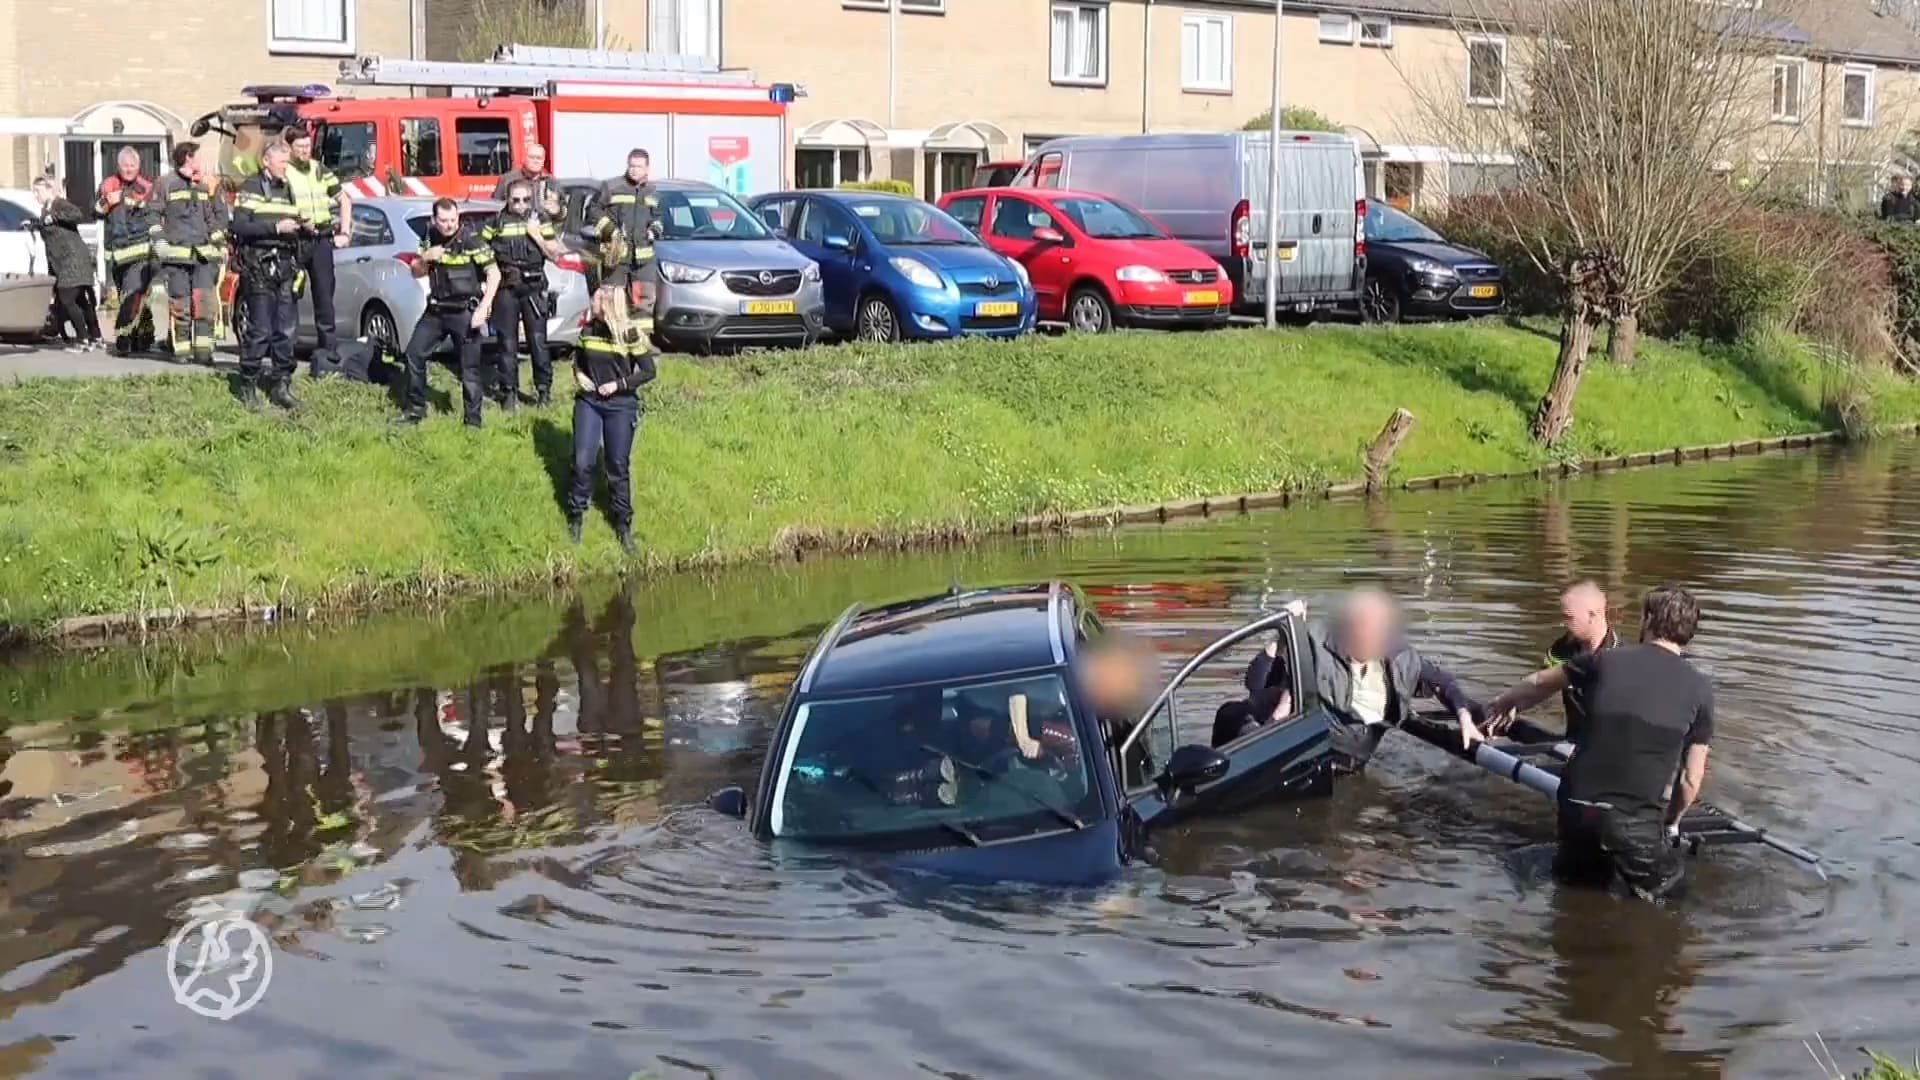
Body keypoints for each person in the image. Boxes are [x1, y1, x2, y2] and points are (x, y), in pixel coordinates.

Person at [1485, 585, 1715, 901]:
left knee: (1573, 894)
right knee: (1677, 898)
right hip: (1633, 823)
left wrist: (1504, 702)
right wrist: (1671, 823)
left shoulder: (1603, 660)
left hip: (1574, 809)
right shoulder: (1700, 689)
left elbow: (1539, 682)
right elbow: (1690, 779)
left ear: (1648, 620)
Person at [1292, 590, 1484, 766]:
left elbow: (1442, 682)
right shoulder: (1316, 649)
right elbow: (1275, 681)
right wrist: (1291, 631)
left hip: (1358, 755)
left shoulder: (1401, 658)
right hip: (1319, 754)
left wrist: (1464, 717)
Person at [398, 198, 500, 428]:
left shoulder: (472, 240)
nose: (449, 225)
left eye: (453, 220)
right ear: (434, 220)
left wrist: (484, 307)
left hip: (464, 311)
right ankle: (415, 409)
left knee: (469, 369)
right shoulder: (429, 238)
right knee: (414, 354)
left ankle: (473, 422)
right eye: (443, 221)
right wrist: (425, 257)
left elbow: (494, 273)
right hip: (436, 310)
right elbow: (416, 272)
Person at [230, 142, 309, 411]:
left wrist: (303, 226)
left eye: (287, 163)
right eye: (282, 162)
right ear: (266, 161)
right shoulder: (252, 187)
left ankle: (281, 385)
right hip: (259, 266)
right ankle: (248, 385)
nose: (286, 167)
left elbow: (291, 224)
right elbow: (239, 225)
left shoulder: (288, 188)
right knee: (260, 329)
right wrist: (275, 227)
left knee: (286, 331)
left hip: (285, 265)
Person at [567, 313, 656, 550]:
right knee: (582, 460)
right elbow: (578, 361)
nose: (593, 303)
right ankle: (576, 514)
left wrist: (618, 385)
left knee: (617, 464)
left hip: (621, 405)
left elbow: (648, 371)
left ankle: (623, 523)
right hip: (589, 402)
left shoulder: (629, 332)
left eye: (598, 299)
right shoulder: (587, 330)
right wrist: (579, 375)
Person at [479, 180, 566, 408]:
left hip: (533, 286)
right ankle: (509, 392)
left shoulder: (540, 220)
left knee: (538, 342)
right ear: (507, 199)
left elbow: (554, 254)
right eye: (515, 200)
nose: (520, 204)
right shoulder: (496, 222)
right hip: (506, 288)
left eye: (525, 200)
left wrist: (536, 235)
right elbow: (480, 251)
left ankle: (543, 391)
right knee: (507, 343)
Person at [584, 148, 664, 353]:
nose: (634, 170)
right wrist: (610, 230)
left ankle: (641, 347)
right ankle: (614, 344)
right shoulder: (611, 187)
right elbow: (592, 211)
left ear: (647, 168)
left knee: (643, 303)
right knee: (613, 302)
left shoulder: (653, 192)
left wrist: (655, 230)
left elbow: (658, 217)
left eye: (639, 166)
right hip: (616, 258)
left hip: (643, 260)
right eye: (631, 165)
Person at [152, 142, 224, 367]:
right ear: (187, 157)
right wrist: (160, 243)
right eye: (197, 157)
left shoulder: (201, 186)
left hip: (202, 257)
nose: (200, 162)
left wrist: (220, 243)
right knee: (180, 306)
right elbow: (152, 216)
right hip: (176, 258)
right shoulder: (165, 183)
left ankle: (203, 353)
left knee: (204, 306)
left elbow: (209, 219)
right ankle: (181, 351)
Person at [285, 127, 351, 369]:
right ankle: (286, 353)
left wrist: (345, 232)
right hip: (295, 239)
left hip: (321, 238)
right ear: (289, 147)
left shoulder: (319, 169)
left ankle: (328, 353)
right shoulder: (284, 171)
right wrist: (299, 220)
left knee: (325, 296)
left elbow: (344, 200)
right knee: (289, 294)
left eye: (307, 146)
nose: (305, 151)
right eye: (300, 147)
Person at [1539, 581, 1620, 745]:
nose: (1563, 623)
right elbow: (1540, 684)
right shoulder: (1563, 648)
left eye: (1569, 617)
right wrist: (1512, 704)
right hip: (1572, 740)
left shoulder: (1620, 658)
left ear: (1593, 615)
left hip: (1608, 746)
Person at [30, 179, 103, 352]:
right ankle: (96, 337)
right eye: (34, 191)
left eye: (38, 191)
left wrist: (55, 217)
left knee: (68, 299)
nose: (36, 195)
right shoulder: (45, 209)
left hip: (73, 259)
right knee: (81, 300)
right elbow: (51, 234)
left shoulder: (58, 204)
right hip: (63, 261)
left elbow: (76, 214)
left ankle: (82, 340)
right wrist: (35, 225)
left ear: (49, 190)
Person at [96, 147, 156, 356]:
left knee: (133, 294)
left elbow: (155, 213)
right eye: (125, 166)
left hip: (140, 253)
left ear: (138, 166)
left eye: (132, 165)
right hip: (117, 255)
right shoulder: (108, 184)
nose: (129, 169)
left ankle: (123, 337)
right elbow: (96, 211)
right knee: (132, 298)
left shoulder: (146, 187)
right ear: (118, 166)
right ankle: (145, 335)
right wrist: (107, 201)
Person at [491, 142, 558, 218]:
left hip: (543, 224)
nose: (535, 161)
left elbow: (562, 209)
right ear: (523, 159)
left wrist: (557, 209)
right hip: (515, 223)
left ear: (543, 161)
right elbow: (495, 208)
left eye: (539, 158)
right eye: (531, 157)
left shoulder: (551, 182)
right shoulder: (507, 179)